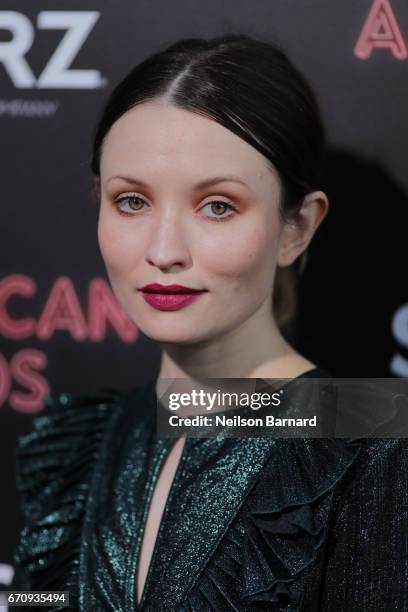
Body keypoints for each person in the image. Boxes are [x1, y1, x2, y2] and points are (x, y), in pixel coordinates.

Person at [11, 34, 408, 611]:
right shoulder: (83, 447)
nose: (164, 250)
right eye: (131, 202)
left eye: (217, 205)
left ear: (296, 227)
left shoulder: (376, 447)